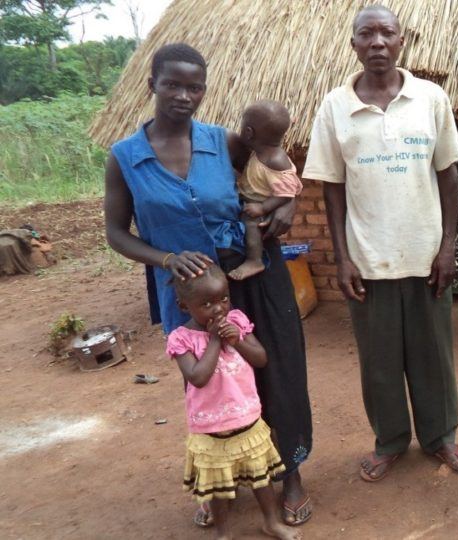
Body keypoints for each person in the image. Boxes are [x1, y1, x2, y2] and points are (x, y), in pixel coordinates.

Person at [103, 43, 314, 527]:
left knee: (276, 370)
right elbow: (116, 232)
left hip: (253, 274)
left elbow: (274, 174)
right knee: (211, 384)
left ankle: (292, 472)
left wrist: (288, 207)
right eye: (172, 83)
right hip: (188, 291)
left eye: (193, 86)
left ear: (204, 91)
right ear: (151, 84)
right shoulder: (126, 158)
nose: (183, 95)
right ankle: (218, 484)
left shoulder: (223, 142)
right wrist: (165, 257)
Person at [302, 5, 458, 482]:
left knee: (433, 356)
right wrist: (343, 258)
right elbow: (331, 187)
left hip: (424, 256)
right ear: (353, 44)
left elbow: (449, 176)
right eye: (366, 34)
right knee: (379, 362)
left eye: (387, 33)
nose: (377, 42)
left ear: (402, 41)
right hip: (368, 257)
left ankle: (441, 438)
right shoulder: (335, 106)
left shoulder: (430, 98)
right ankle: (390, 441)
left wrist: (446, 248)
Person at [166, 265, 301, 540]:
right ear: (183, 305)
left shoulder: (237, 322)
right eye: (206, 304)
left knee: (260, 478)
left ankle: (271, 522)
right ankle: (223, 533)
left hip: (247, 420)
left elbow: (261, 358)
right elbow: (197, 377)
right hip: (211, 428)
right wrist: (215, 341)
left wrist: (236, 340)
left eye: (223, 299)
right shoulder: (182, 338)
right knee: (217, 487)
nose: (218, 309)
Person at [228, 100, 302, 281]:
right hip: (252, 200)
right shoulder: (259, 152)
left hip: (261, 206)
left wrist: (263, 208)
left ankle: (255, 260)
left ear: (248, 132)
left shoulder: (275, 160)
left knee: (251, 224)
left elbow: (287, 192)